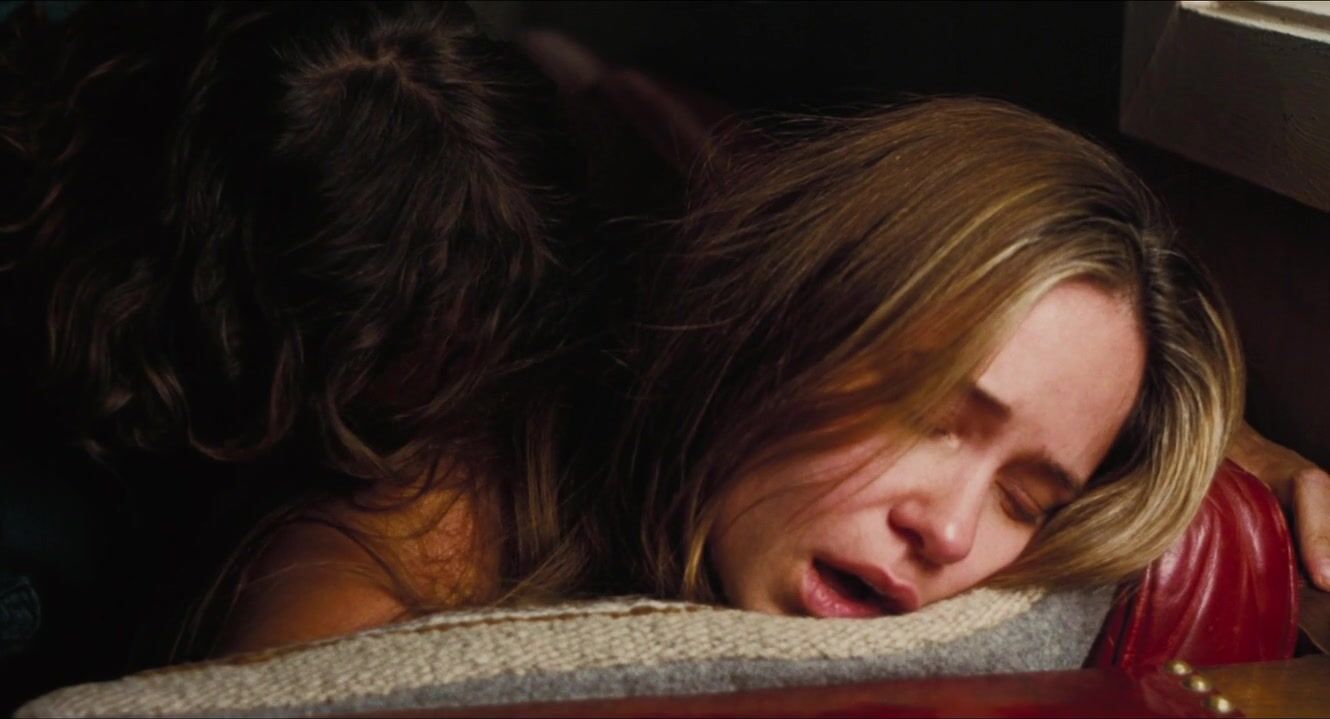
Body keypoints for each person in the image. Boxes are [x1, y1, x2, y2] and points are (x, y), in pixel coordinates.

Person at [1, 1, 1324, 663]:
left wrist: (1252, 456)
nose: (950, 530)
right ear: (781, 325)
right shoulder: (422, 522)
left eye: (1032, 496)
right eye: (928, 411)